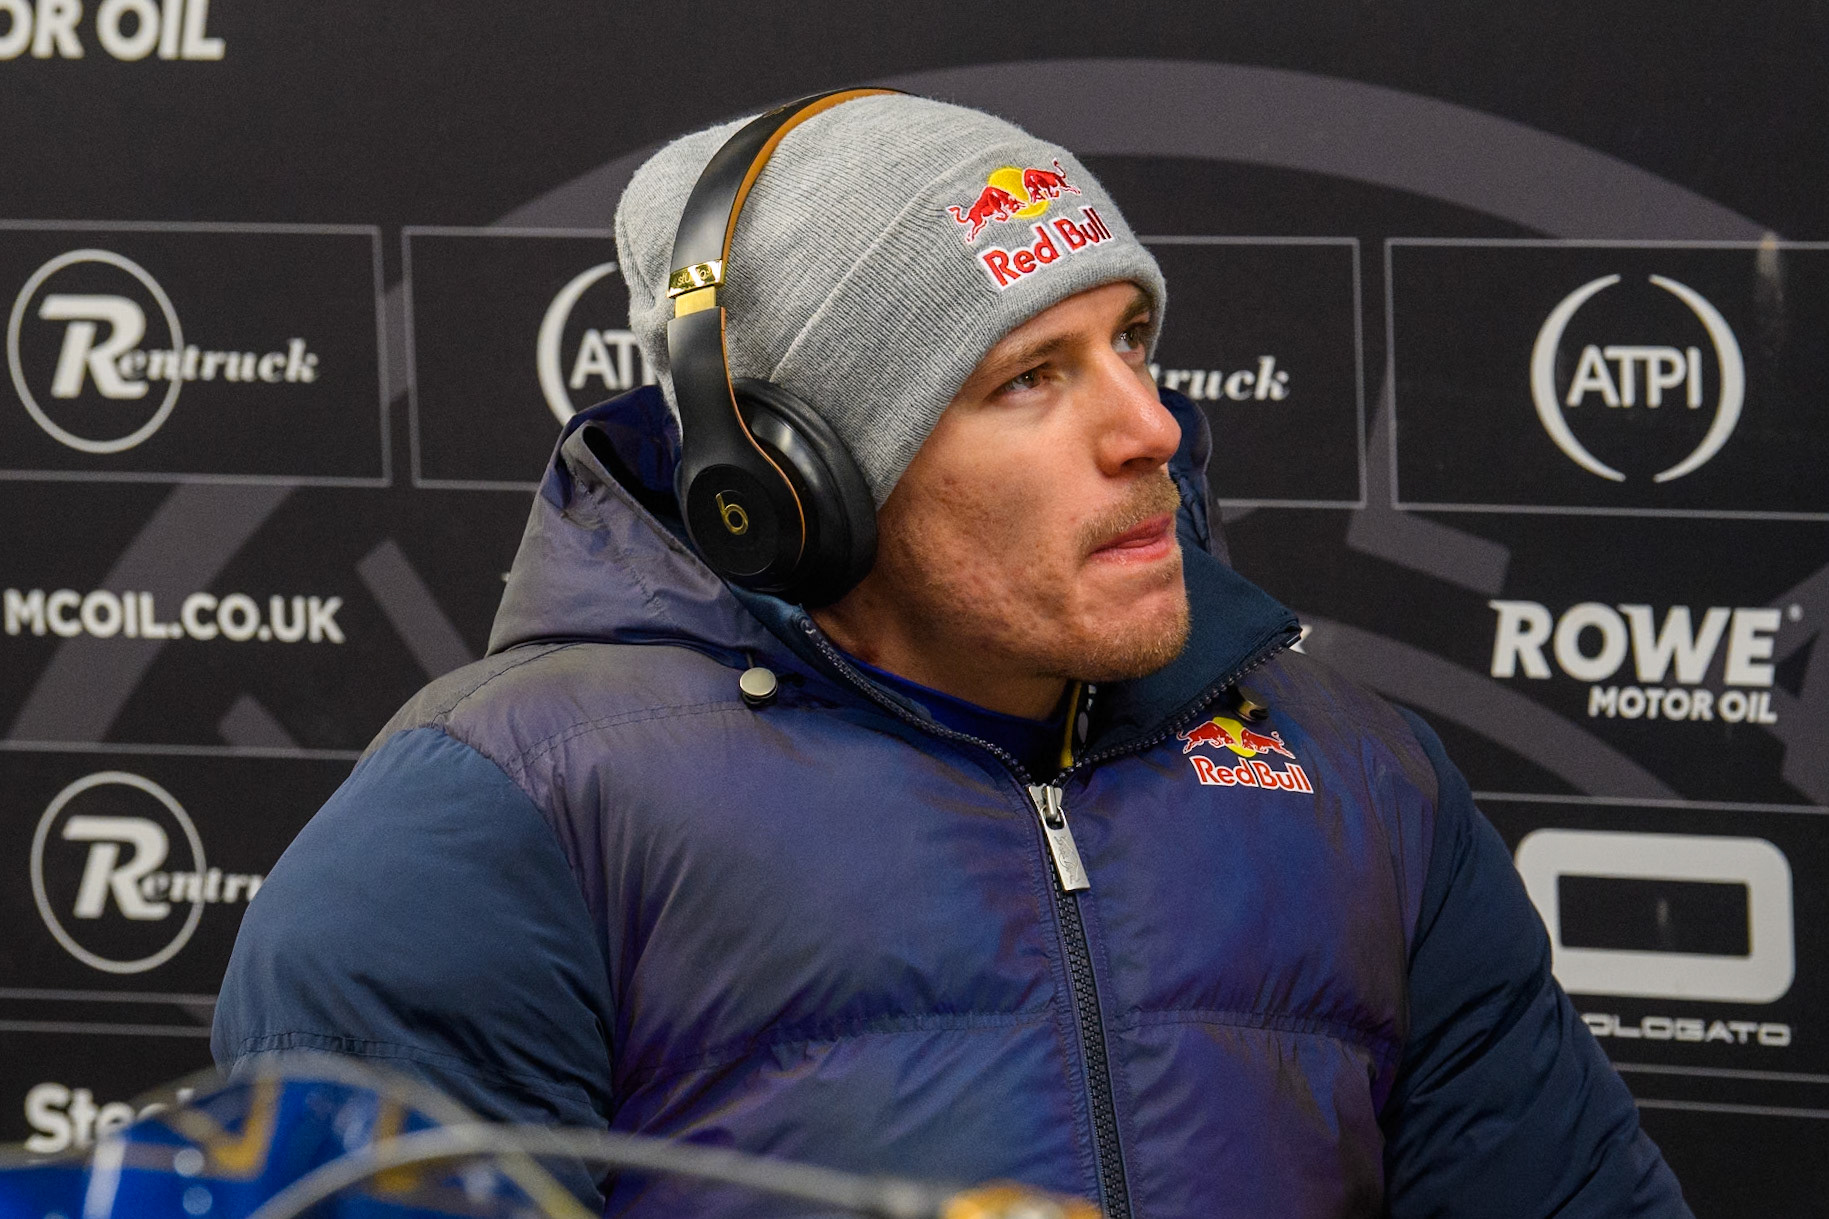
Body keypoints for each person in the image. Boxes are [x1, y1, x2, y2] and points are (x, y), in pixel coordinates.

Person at [213, 92, 1690, 1218]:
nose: (1150, 431)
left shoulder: (1357, 779)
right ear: (787, 476)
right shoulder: (497, 827)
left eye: (1131, 343)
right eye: (1031, 379)